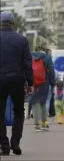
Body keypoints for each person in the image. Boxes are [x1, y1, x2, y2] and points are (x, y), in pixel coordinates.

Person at [0, 11, 33, 156]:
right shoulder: (22, 40)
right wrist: (30, 82)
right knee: (19, 111)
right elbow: (27, 63)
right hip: (18, 79)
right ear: (13, 23)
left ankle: (4, 145)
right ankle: (15, 142)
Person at [30, 37, 56, 132]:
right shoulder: (47, 57)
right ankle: (44, 123)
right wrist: (53, 82)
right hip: (45, 82)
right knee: (43, 102)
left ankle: (37, 125)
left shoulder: (30, 55)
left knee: (34, 102)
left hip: (33, 83)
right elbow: (52, 71)